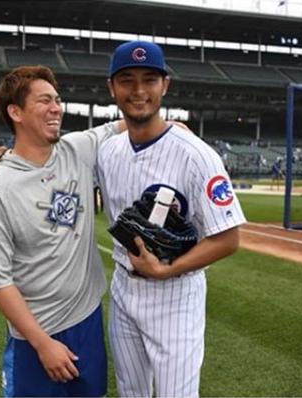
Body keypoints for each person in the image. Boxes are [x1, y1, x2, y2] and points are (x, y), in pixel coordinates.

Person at [97, 41, 246, 397]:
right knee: (131, 391)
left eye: (149, 79)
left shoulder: (197, 156)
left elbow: (228, 238)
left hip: (176, 294)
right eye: (127, 80)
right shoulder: (107, 151)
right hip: (123, 289)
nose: (138, 91)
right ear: (112, 88)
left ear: (165, 85)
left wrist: (165, 270)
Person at [0, 65, 124, 397]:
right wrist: (43, 344)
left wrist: (171, 127)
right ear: (16, 112)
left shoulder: (77, 150)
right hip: (36, 336)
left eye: (57, 99)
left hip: (87, 319)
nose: (56, 107)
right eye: (44, 101)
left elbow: (126, 123)